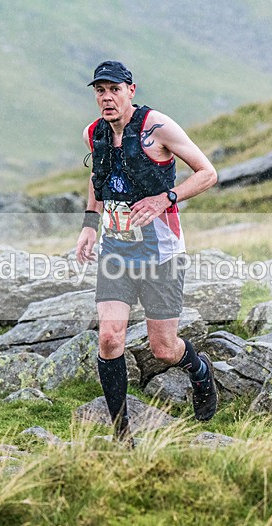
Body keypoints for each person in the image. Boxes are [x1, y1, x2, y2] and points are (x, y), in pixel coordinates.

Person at [75, 60, 219, 444]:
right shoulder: (96, 133)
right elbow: (97, 179)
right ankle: (122, 435)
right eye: (100, 91)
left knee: (164, 348)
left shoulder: (158, 128)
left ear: (131, 91)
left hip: (162, 254)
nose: (107, 97)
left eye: (114, 90)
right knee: (109, 338)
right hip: (116, 252)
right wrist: (90, 225)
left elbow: (208, 173)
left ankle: (200, 369)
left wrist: (165, 198)